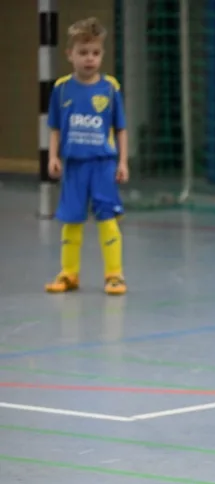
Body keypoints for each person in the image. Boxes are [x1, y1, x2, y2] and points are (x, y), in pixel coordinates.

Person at [44, 17, 129, 296]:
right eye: (83, 53)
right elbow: (55, 128)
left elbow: (121, 129)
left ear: (102, 54)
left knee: (107, 217)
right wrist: (53, 157)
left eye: (95, 53)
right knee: (71, 219)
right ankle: (69, 273)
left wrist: (123, 161)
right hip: (74, 166)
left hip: (103, 165)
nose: (89, 59)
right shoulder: (62, 88)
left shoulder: (110, 87)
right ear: (70, 55)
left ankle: (114, 275)